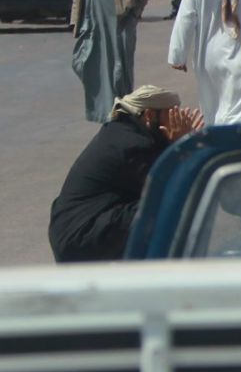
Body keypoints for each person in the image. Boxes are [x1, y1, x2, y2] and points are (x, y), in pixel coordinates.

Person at [48, 86, 201, 262]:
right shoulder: (132, 145)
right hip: (81, 238)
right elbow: (171, 186)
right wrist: (180, 147)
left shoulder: (125, 131)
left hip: (74, 233)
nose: (178, 120)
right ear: (150, 115)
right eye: (172, 114)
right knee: (164, 205)